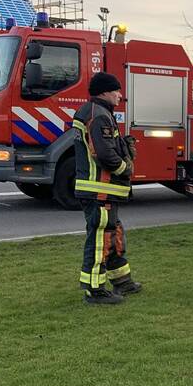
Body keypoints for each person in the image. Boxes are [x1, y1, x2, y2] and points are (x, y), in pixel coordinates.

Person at [73, 72, 141, 304]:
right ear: (104, 91)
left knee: (113, 236)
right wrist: (125, 168)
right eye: (117, 91)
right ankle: (95, 291)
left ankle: (122, 281)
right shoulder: (99, 116)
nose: (120, 96)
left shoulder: (97, 113)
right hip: (100, 190)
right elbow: (103, 153)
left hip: (104, 191)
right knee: (101, 240)